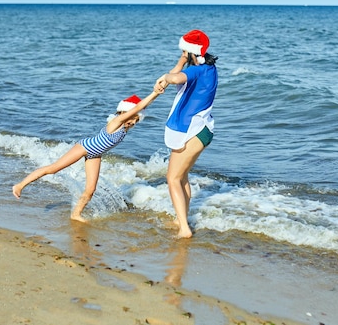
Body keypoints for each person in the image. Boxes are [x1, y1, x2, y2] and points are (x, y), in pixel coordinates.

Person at [12, 92, 161, 222]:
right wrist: (154, 93)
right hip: (84, 147)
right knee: (53, 169)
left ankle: (76, 214)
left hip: (96, 154)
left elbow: (140, 108)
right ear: (124, 112)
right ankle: (19, 185)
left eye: (136, 120)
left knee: (90, 189)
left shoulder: (125, 127)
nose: (133, 121)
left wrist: (160, 91)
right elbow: (137, 107)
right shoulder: (117, 122)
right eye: (132, 118)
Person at [155, 29, 218, 238]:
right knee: (182, 177)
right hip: (204, 131)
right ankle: (180, 219)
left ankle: (184, 228)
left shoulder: (196, 72)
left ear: (191, 51)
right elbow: (177, 75)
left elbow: (176, 78)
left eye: (184, 50)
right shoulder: (209, 69)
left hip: (192, 131)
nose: (182, 53)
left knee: (172, 178)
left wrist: (165, 76)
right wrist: (181, 61)